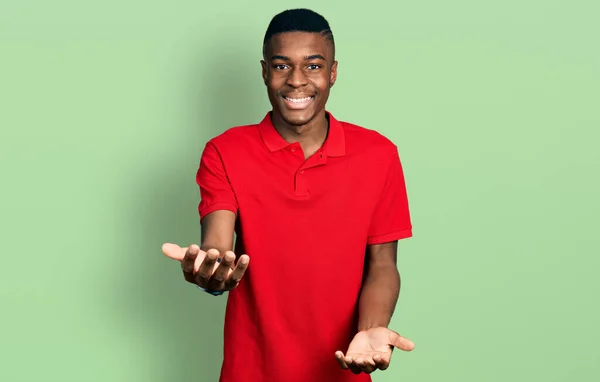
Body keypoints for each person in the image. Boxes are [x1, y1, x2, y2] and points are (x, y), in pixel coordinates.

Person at [162, 8, 415, 382]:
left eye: (313, 66)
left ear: (333, 72)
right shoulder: (225, 151)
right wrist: (212, 274)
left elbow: (382, 264)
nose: (297, 81)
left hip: (342, 371)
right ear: (265, 72)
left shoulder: (379, 155)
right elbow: (218, 246)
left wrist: (372, 330)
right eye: (282, 66)